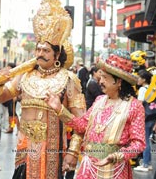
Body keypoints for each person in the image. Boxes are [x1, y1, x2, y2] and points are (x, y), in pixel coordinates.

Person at [0, 0, 85, 179]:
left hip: (53, 153)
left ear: (56, 54)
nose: (40, 54)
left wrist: (72, 153)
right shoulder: (25, 75)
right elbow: (1, 97)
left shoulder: (69, 79)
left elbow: (82, 123)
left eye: (46, 50)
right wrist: (0, 81)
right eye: (38, 49)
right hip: (24, 151)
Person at [46, 49, 146, 178]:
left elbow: (138, 144)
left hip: (115, 170)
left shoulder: (134, 106)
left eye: (105, 77)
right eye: (101, 76)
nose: (100, 81)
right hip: (88, 168)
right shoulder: (99, 101)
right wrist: (60, 109)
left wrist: (116, 156)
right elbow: (82, 125)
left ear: (119, 82)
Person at [134, 69, 154, 172]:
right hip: (151, 116)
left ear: (144, 79)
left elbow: (139, 104)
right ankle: (148, 162)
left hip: (145, 117)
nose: (137, 79)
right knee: (148, 140)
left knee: (145, 141)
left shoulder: (142, 89)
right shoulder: (150, 88)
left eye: (139, 78)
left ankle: (146, 164)